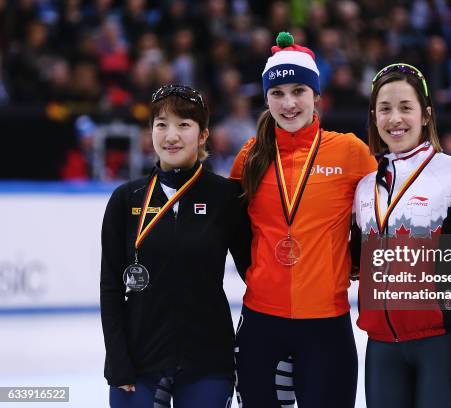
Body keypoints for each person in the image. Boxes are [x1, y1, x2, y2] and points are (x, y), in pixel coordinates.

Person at [229, 32, 377, 407]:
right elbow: (231, 227)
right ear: (266, 99)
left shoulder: (350, 152)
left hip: (326, 322)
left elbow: (382, 215)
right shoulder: (250, 156)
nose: (289, 102)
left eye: (299, 91)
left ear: (317, 97)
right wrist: (254, 271)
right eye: (277, 93)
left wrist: (356, 261)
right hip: (262, 321)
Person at [352, 63, 451, 407]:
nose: (395, 118)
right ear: (374, 116)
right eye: (385, 109)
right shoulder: (364, 188)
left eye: (406, 107)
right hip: (382, 346)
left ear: (426, 115)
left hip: (444, 343)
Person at [100, 84, 251, 408]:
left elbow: (256, 273)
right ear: (150, 132)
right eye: (161, 124)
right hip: (138, 362)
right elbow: (110, 287)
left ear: (203, 134)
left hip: (207, 362)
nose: (171, 135)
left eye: (183, 125)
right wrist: (118, 361)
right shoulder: (126, 199)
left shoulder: (226, 197)